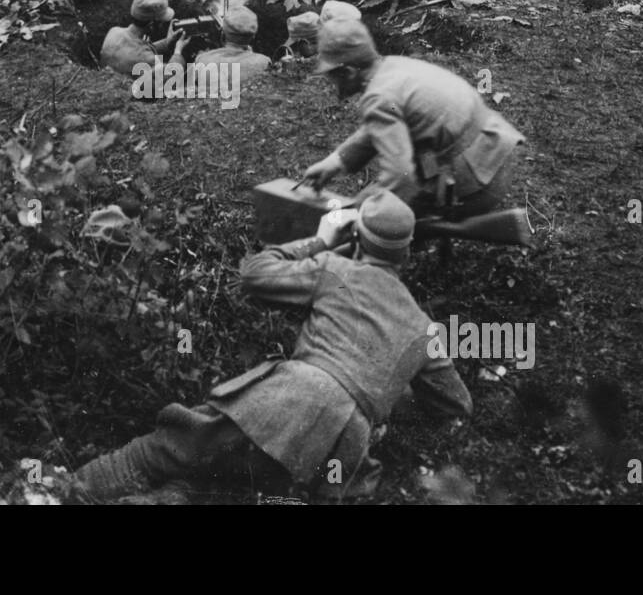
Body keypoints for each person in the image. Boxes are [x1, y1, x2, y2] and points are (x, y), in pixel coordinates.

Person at [72, 191, 472, 502]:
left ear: (357, 236)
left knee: (164, 452)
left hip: (287, 402)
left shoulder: (338, 269)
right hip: (341, 452)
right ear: (406, 253)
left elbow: (255, 274)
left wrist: (319, 240)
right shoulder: (424, 328)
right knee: (235, 491)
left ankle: (56, 493)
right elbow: (455, 405)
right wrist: (381, 400)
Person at [302, 19, 525, 219]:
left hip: (478, 183)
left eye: (331, 75)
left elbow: (400, 176)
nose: (330, 82)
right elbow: (379, 125)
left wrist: (363, 212)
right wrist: (335, 163)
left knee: (362, 212)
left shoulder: (379, 97)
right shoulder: (392, 67)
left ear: (349, 71)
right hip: (495, 153)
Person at [100, 0, 191, 75]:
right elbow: (171, 75)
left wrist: (166, 42)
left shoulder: (113, 32)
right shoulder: (147, 59)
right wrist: (178, 51)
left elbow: (137, 47)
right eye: (161, 22)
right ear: (151, 24)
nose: (162, 24)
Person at [192, 5, 270, 81]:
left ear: (223, 33)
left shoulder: (202, 60)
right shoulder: (264, 62)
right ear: (253, 36)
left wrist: (178, 52)